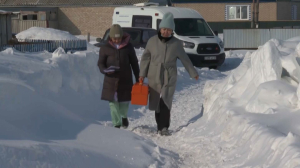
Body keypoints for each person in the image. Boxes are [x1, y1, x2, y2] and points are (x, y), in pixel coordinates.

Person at [139, 12, 199, 135]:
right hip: (154, 73)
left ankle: (164, 127)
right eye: (164, 29)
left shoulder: (176, 43)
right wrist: (142, 74)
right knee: (156, 101)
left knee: (166, 100)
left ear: (172, 31)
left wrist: (193, 73)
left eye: (169, 30)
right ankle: (159, 126)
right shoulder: (152, 41)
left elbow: (185, 59)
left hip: (169, 74)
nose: (166, 32)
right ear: (160, 29)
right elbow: (145, 58)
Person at [98, 24, 140, 128]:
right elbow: (100, 63)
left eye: (119, 38)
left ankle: (124, 116)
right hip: (111, 80)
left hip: (125, 79)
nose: (116, 40)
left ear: (122, 36)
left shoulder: (128, 47)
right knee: (113, 103)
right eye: (114, 38)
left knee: (124, 102)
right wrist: (105, 70)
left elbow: (134, 63)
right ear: (110, 37)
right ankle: (116, 123)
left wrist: (138, 77)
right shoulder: (105, 48)